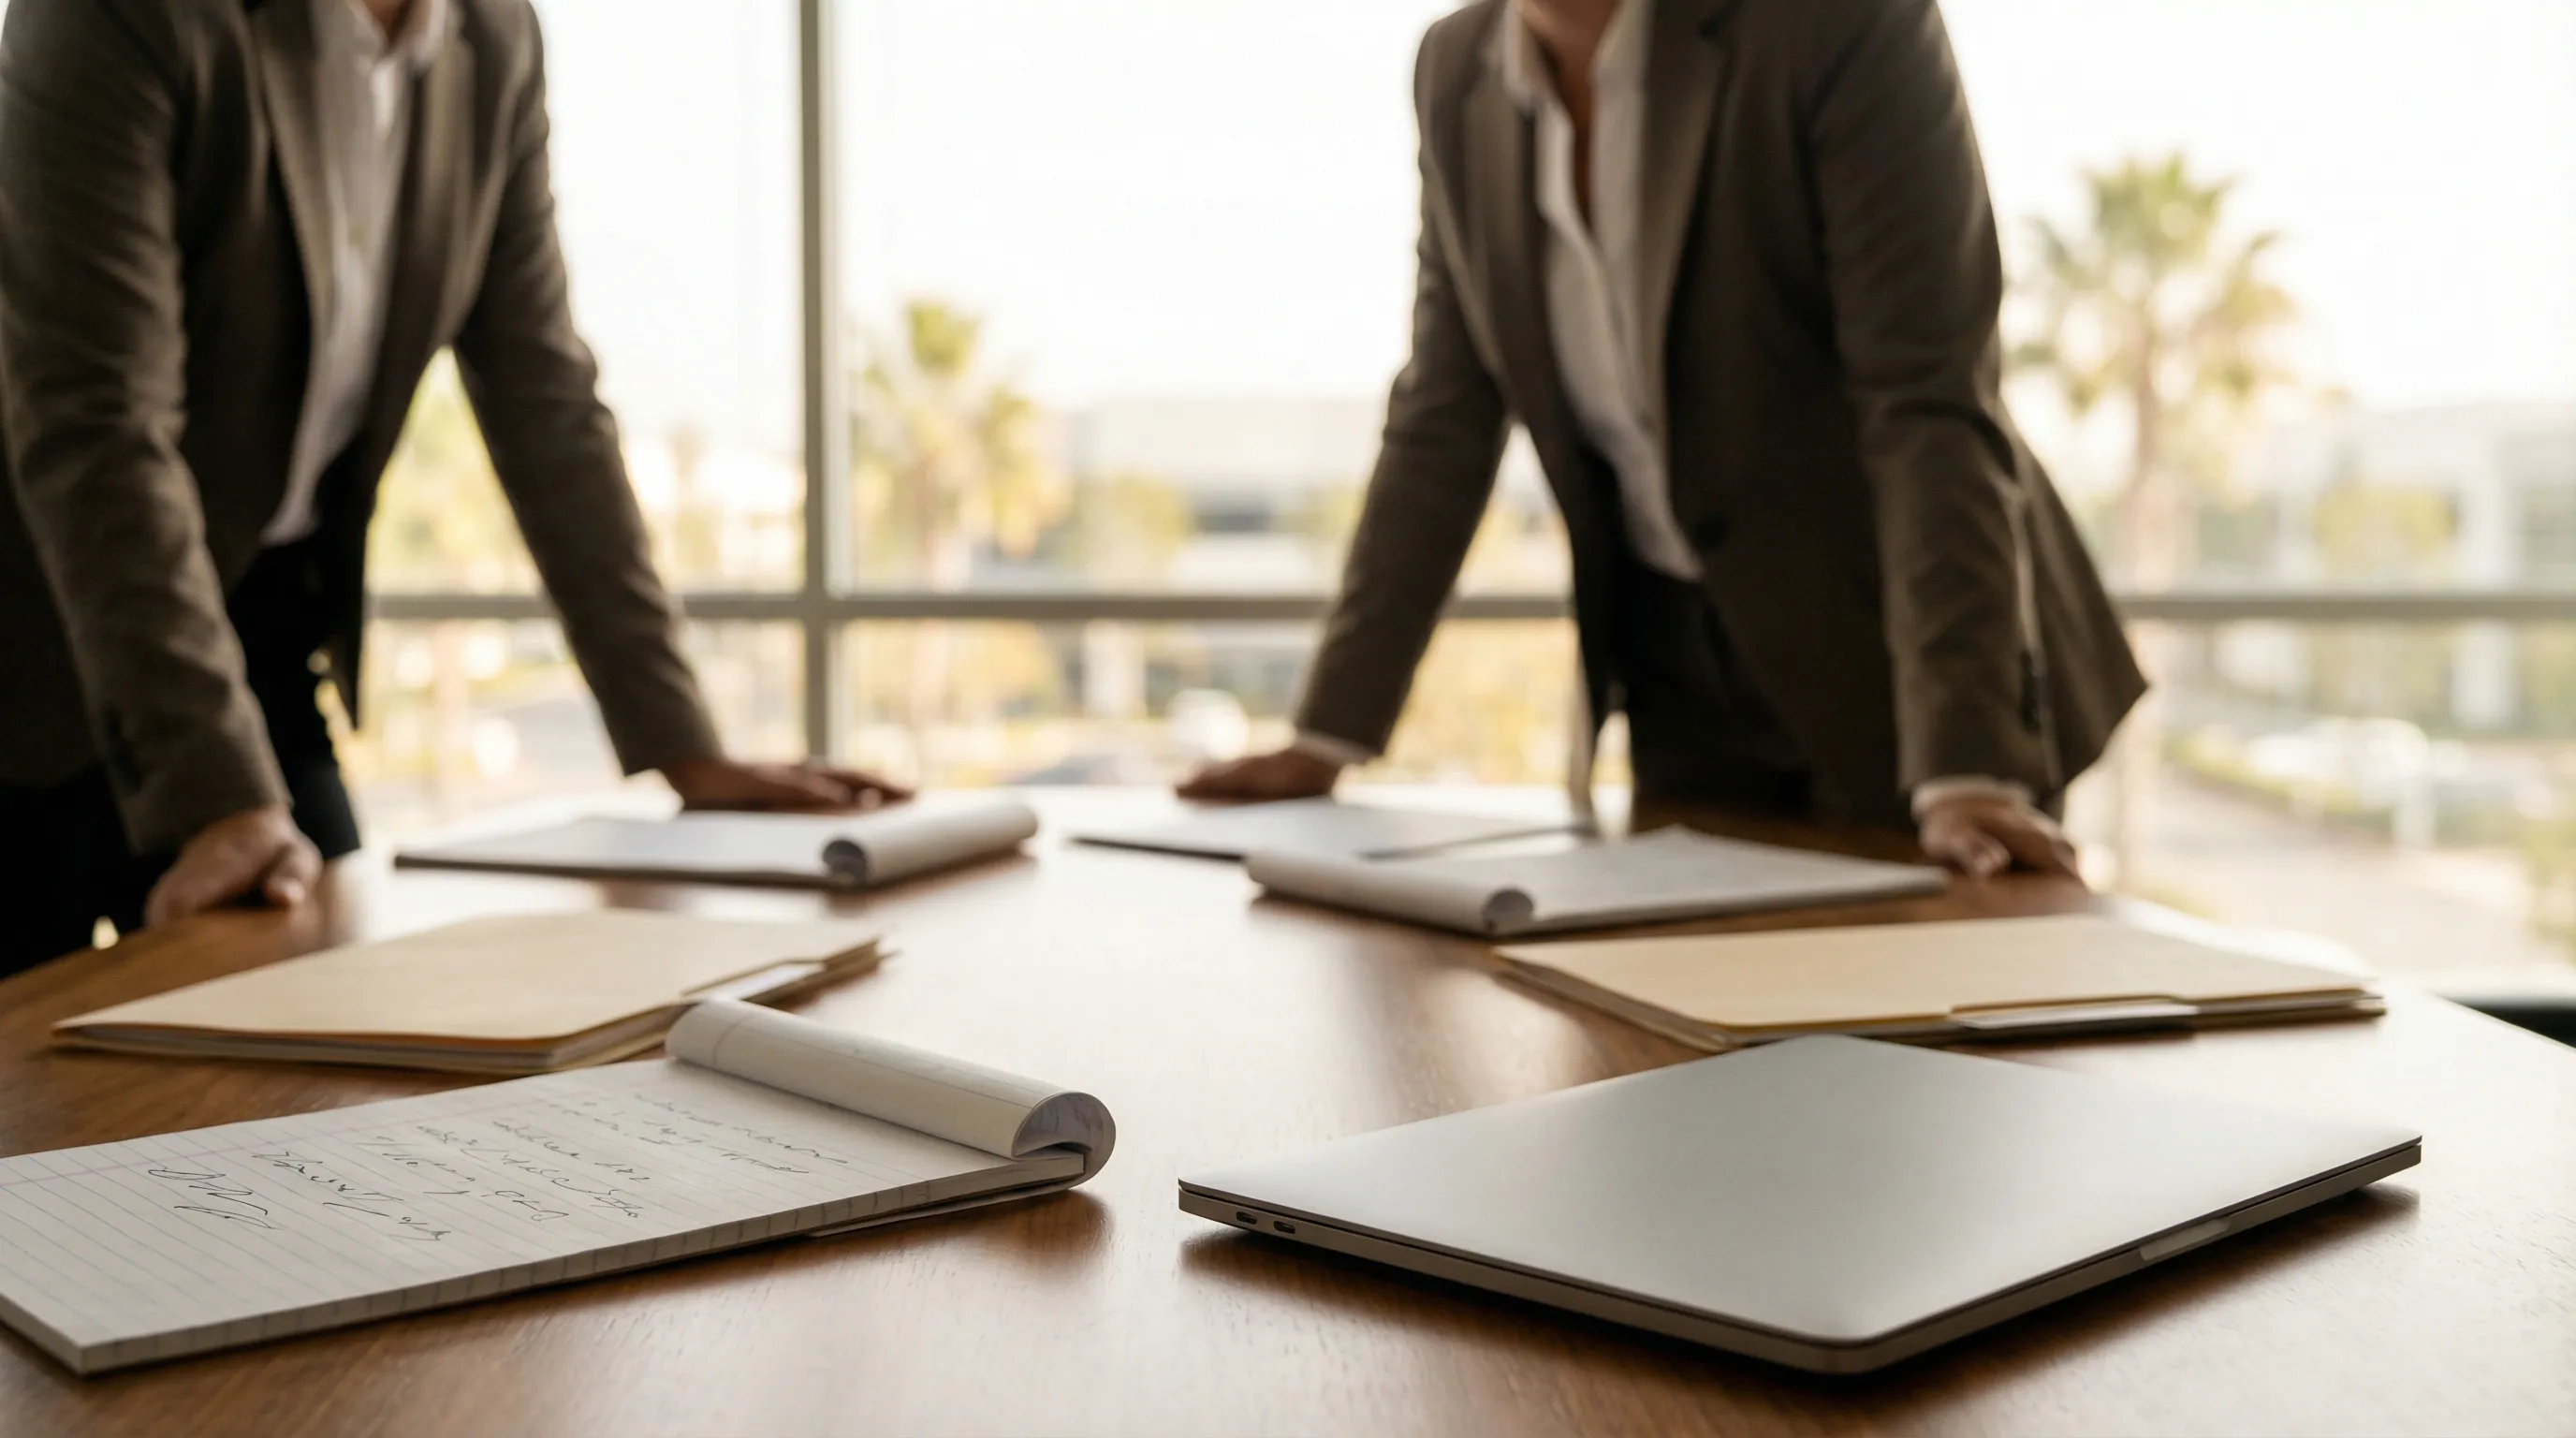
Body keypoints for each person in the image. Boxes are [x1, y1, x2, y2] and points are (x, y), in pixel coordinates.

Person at [0, 0, 906, 976]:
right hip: (33, 642)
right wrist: (220, 799)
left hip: (256, 637)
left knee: (322, 1019)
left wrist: (687, 750)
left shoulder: (493, 39)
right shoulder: (116, 15)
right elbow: (98, 423)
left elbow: (546, 402)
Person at [1184, 0, 2144, 875]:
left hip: (1910, 662)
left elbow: (1926, 401)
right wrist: (1327, 735)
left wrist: (1967, 766)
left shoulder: (1841, 21)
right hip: (1679, 673)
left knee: (1927, 998)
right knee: (1695, 1001)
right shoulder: (1454, 66)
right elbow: (1443, 411)